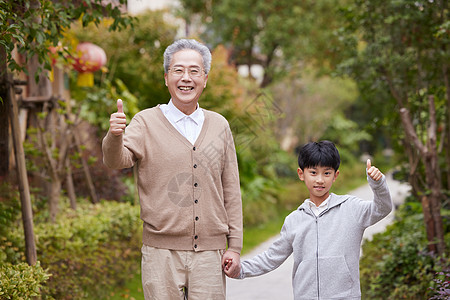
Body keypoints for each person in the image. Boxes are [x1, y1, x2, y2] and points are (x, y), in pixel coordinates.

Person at [102, 39, 243, 299]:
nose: (186, 78)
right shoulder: (145, 122)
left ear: (205, 78)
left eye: (194, 71)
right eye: (178, 70)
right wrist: (114, 136)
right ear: (167, 78)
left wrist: (234, 246)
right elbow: (116, 160)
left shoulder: (219, 125)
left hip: (210, 255)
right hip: (160, 253)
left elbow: (231, 188)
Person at [225, 140, 392, 300]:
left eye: (327, 173)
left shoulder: (351, 208)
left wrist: (378, 184)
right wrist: (240, 269)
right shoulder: (294, 220)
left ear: (335, 175)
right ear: (301, 174)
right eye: (313, 172)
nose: (320, 179)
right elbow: (271, 257)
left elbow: (382, 208)